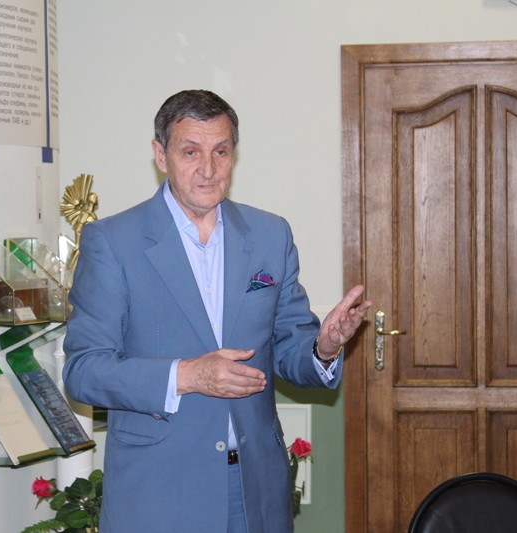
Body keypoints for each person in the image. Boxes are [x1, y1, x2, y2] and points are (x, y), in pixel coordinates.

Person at [62, 89, 371, 533]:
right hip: (159, 493)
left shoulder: (270, 235)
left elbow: (290, 350)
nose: (208, 169)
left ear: (233, 155)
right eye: (191, 152)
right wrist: (188, 375)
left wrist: (323, 347)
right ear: (161, 155)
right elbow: (84, 371)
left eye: (220, 152)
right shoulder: (113, 242)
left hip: (254, 491)